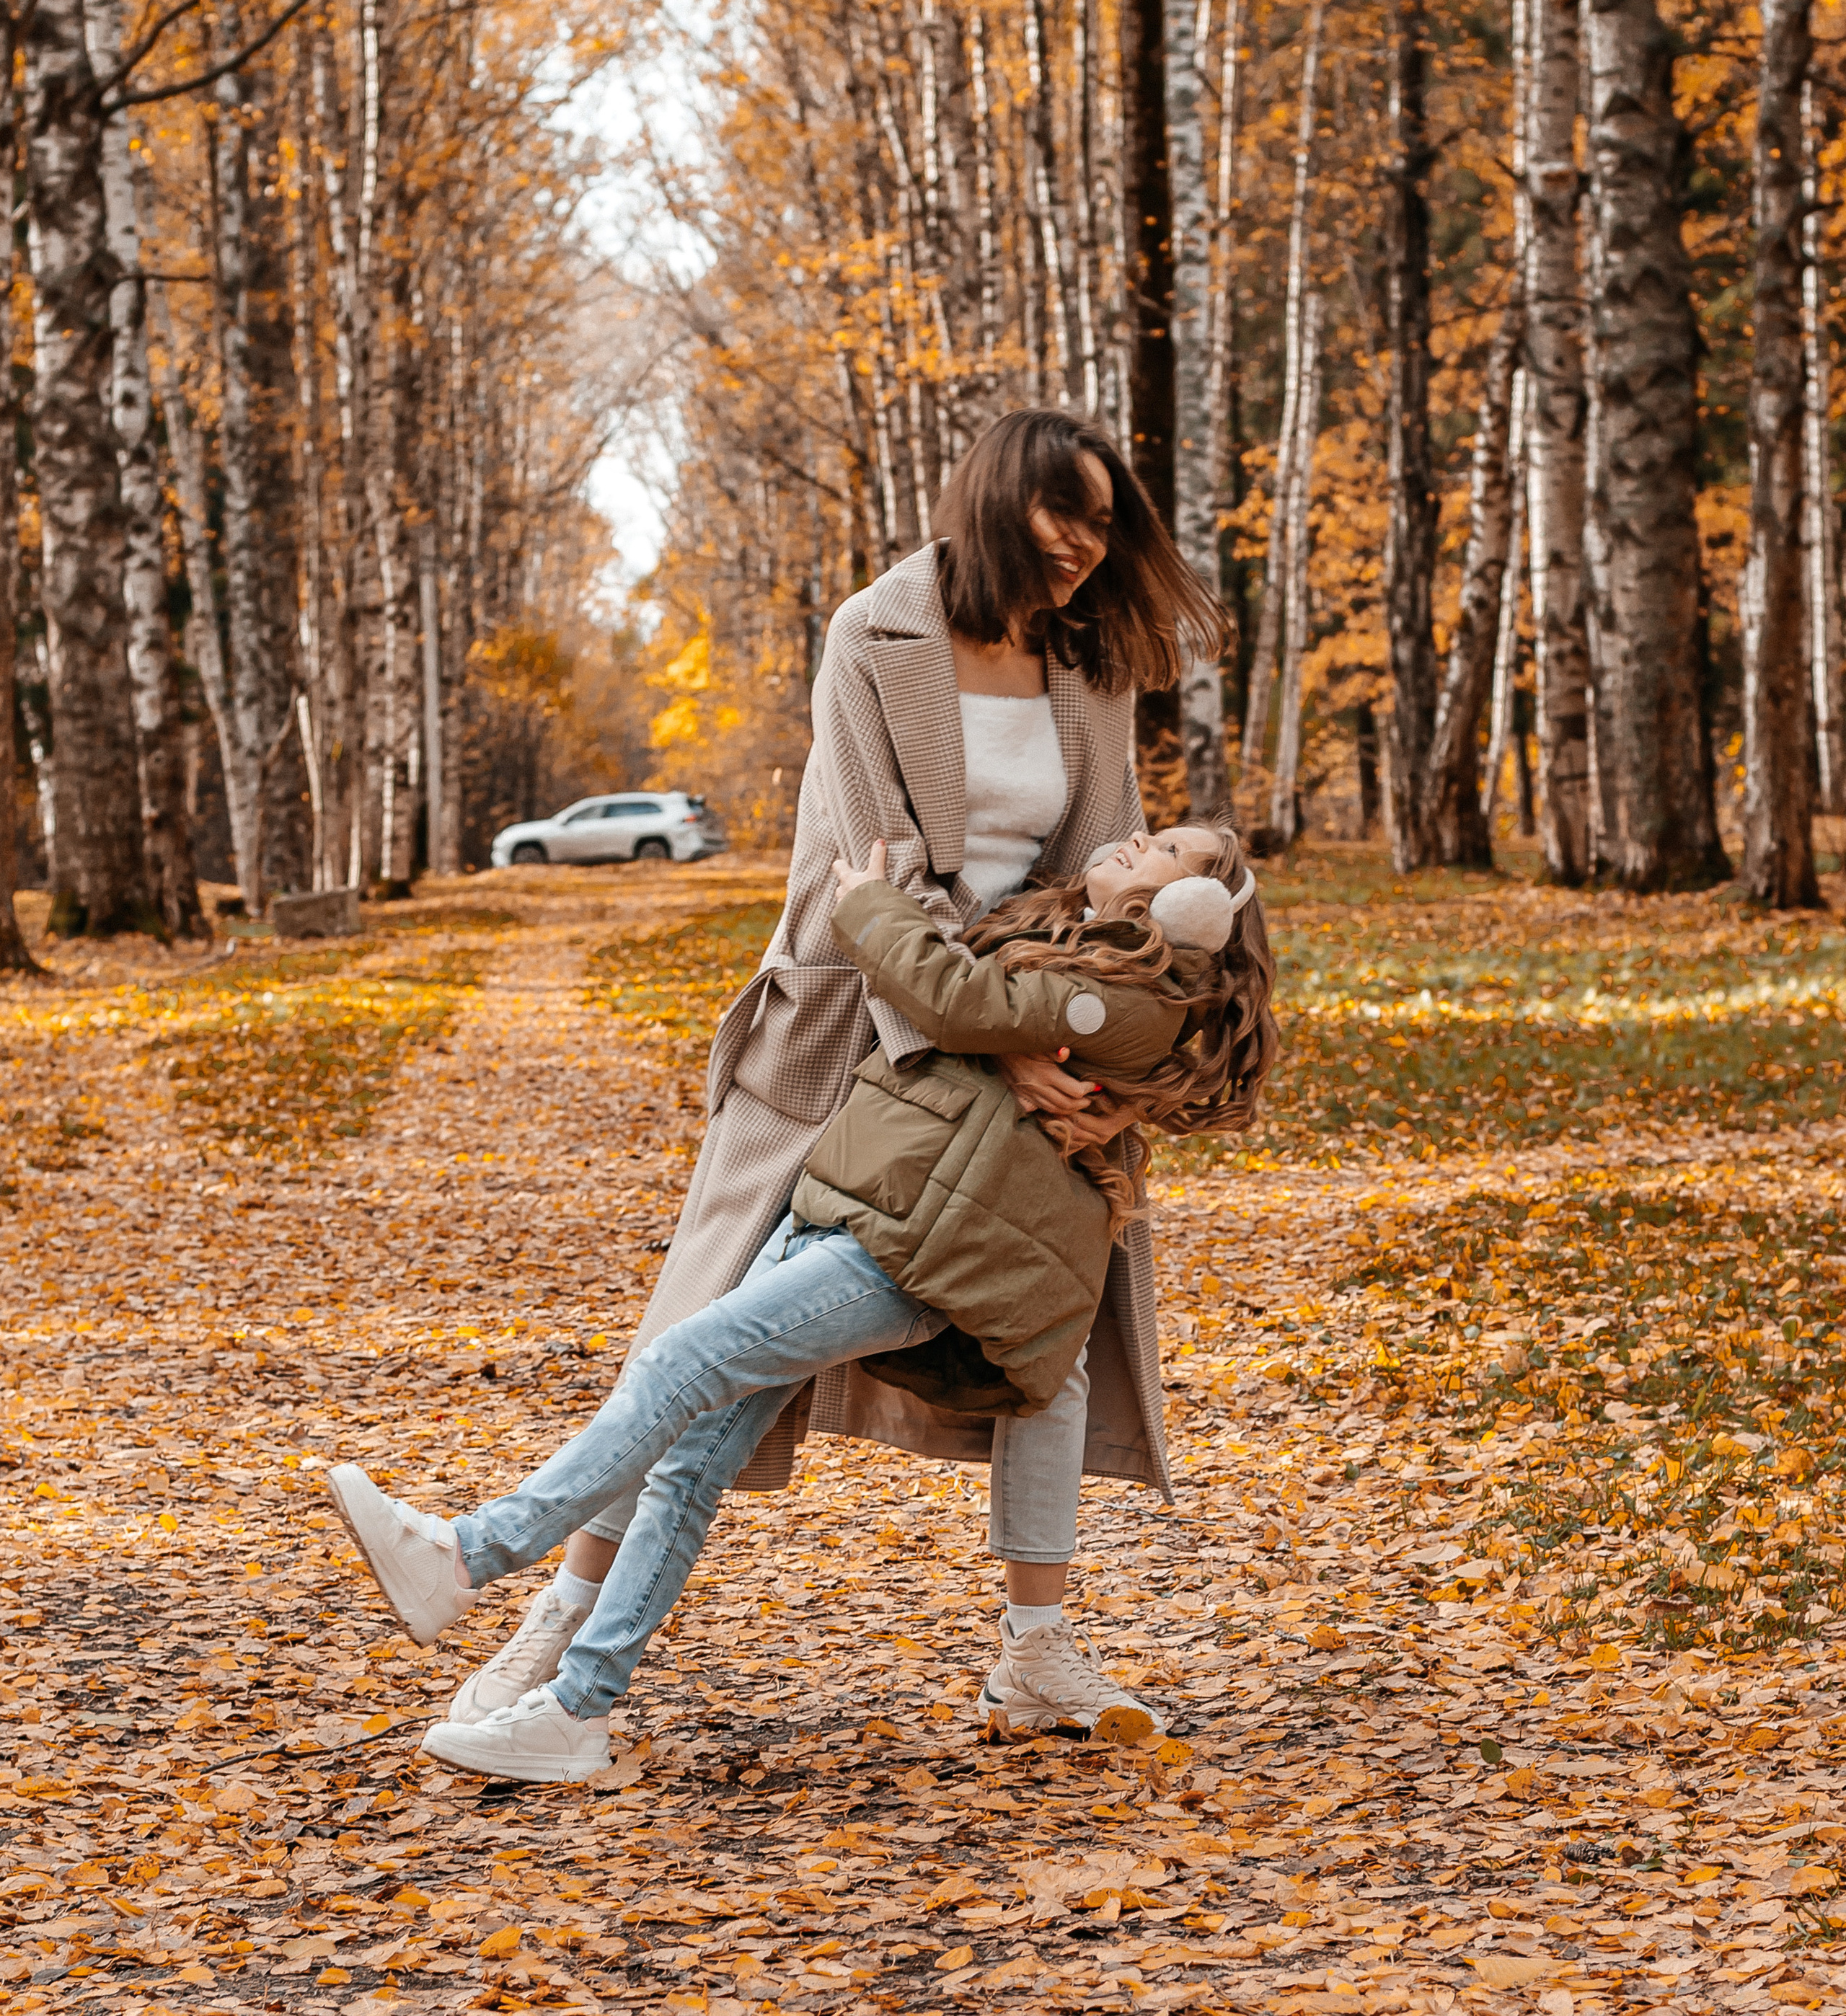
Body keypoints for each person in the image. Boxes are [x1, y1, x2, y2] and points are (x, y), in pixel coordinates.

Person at [437, 407, 1224, 1744]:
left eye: (1107, 521)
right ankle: (549, 1629)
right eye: (1064, 514)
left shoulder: (1093, 666)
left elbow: (1104, 871)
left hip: (1033, 1029)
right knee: (707, 1317)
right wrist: (1000, 1037)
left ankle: (1038, 1651)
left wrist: (1069, 1040)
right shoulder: (877, 633)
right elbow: (877, 873)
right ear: (990, 502)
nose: (1089, 546)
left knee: (1057, 1337)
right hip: (856, 1020)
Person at [327, 819, 1277, 1780]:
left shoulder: (1135, 1002)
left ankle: (466, 1557)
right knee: (691, 1467)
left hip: (917, 1249)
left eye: (1168, 850)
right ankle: (575, 1714)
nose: (1136, 837)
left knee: (679, 1362)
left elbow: (953, 998)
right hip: (857, 1208)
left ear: (1190, 909)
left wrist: (868, 904)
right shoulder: (1057, 933)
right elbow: (974, 1005)